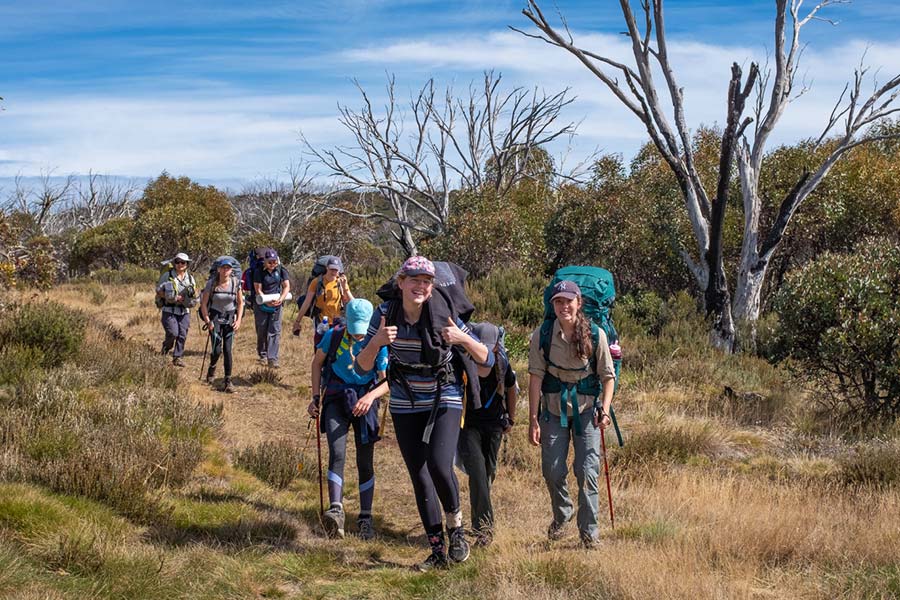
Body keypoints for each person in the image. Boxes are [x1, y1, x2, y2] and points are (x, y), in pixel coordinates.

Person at [353, 256, 492, 571]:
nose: (420, 286)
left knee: (439, 466)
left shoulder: (445, 314)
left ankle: (456, 529)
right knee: (419, 475)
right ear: (400, 283)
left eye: (426, 281)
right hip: (404, 399)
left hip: (444, 395)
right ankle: (437, 550)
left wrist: (461, 338)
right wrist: (376, 342)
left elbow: (486, 359)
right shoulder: (385, 314)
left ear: (432, 287)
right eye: (414, 279)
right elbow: (362, 366)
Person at [528, 280, 615, 549]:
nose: (564, 306)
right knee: (552, 471)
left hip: (587, 412)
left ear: (579, 303)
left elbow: (608, 377)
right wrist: (532, 419)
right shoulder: (541, 335)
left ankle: (589, 535)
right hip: (553, 412)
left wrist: (606, 409)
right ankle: (563, 512)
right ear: (552, 305)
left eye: (569, 301)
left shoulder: (596, 335)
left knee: (587, 472)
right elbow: (535, 378)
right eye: (558, 301)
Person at [307, 298, 388, 540]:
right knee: (337, 452)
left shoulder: (378, 341)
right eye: (355, 331)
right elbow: (316, 363)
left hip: (366, 403)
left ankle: (365, 517)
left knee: (365, 461)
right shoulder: (333, 336)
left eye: (362, 331)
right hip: (336, 398)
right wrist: (314, 397)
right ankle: (336, 510)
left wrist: (371, 398)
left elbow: (386, 382)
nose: (359, 336)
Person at [457, 322, 517, 548]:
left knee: (488, 473)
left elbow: (511, 388)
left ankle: (480, 513)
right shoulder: (463, 362)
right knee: (479, 474)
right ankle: (484, 529)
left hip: (494, 426)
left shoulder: (502, 362)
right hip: (468, 426)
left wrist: (511, 418)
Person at [200, 257, 244, 393]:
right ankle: (212, 369)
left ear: (231, 270)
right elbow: (203, 304)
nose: (225, 270)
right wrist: (208, 320)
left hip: (230, 319)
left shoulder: (235, 283)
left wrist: (238, 320)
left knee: (227, 350)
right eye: (223, 268)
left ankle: (227, 380)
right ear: (218, 269)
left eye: (228, 268)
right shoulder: (212, 283)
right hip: (215, 318)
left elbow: (240, 303)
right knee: (217, 349)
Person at [293, 256, 354, 345]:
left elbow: (353, 303)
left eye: (336, 270)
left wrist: (345, 288)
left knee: (334, 350)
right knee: (320, 347)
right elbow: (307, 302)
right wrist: (297, 321)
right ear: (327, 268)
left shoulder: (341, 283)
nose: (334, 272)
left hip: (336, 322)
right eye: (331, 269)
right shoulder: (317, 282)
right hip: (322, 321)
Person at [156, 252, 198, 367]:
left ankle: (177, 357)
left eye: (183, 262)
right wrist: (172, 298)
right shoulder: (167, 275)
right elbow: (159, 291)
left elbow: (194, 292)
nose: (180, 264)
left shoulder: (190, 278)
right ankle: (166, 348)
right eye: (177, 262)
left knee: (182, 334)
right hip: (169, 309)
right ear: (174, 263)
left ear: (187, 264)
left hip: (184, 311)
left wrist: (192, 299)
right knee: (173, 333)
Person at [252, 249, 290, 369]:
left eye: (274, 262)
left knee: (274, 330)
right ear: (265, 262)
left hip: (277, 303)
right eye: (270, 262)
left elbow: (286, 286)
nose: (272, 264)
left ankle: (273, 358)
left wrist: (281, 299)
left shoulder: (281, 270)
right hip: (262, 303)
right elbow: (258, 289)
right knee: (262, 329)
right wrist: (266, 301)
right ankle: (262, 354)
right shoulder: (258, 272)